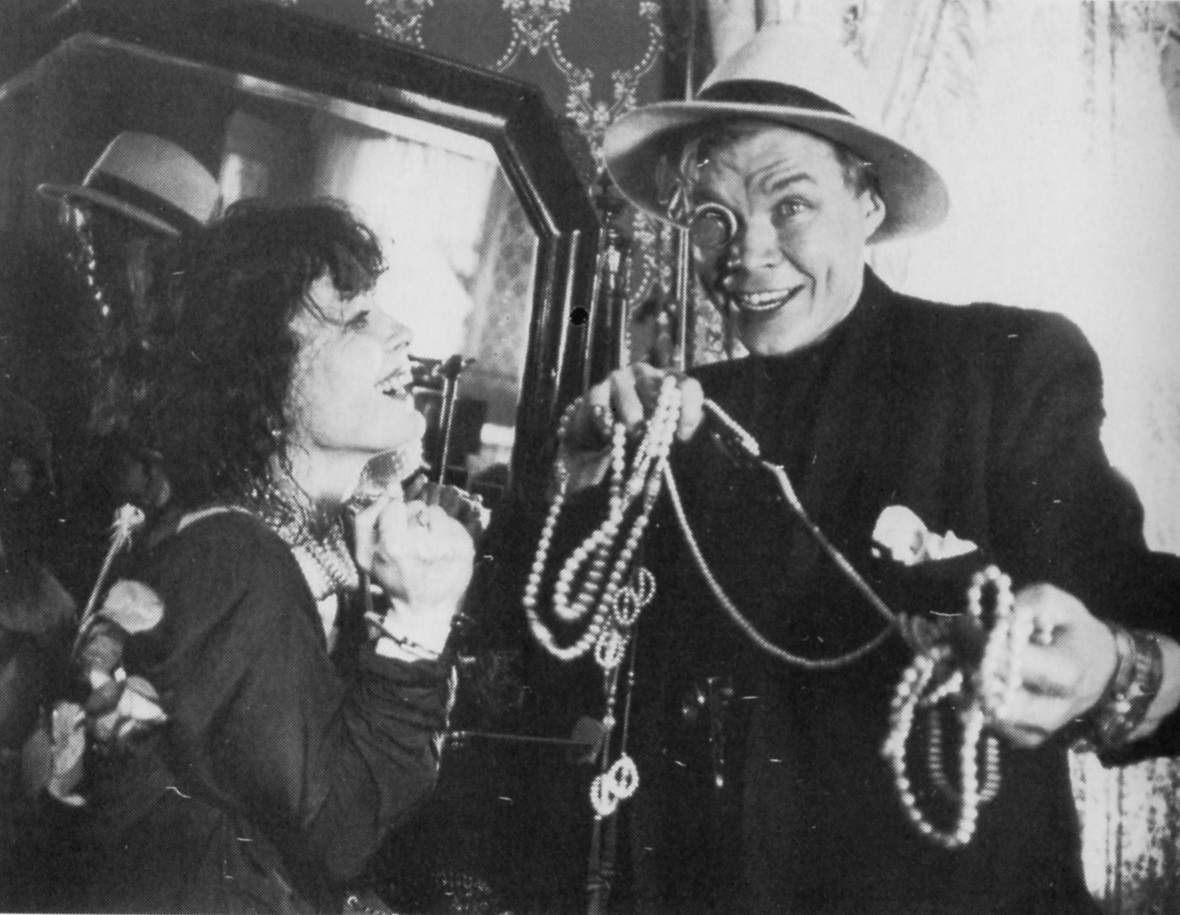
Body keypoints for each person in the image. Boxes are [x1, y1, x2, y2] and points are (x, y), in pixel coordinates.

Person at [543, 21, 1180, 915]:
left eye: (790, 206)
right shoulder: (673, 418)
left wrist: (1116, 663)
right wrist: (575, 487)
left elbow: (1128, 605)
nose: (748, 254)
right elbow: (565, 664)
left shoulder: (1005, 367)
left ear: (868, 205)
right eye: (715, 217)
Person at [70, 199, 479, 914]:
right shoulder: (235, 561)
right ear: (268, 378)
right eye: (355, 318)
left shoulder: (289, 540)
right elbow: (335, 834)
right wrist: (419, 622)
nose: (401, 332)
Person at [36, 131, 220, 595]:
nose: (86, 260)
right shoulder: (119, 349)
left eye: (100, 242)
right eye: (83, 235)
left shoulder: (193, 375)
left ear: (155, 259)